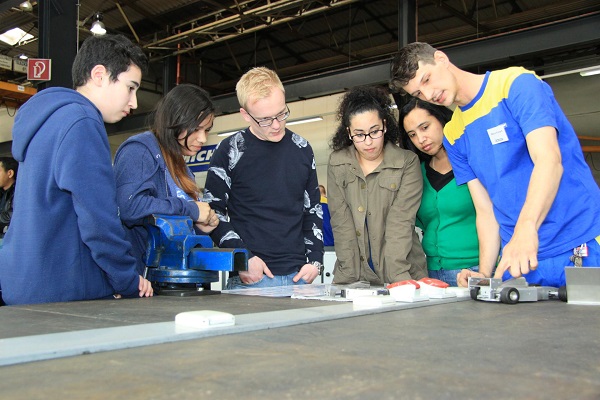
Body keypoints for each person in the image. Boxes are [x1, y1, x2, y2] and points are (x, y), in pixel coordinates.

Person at [390, 42, 600, 288]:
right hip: (517, 261)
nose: (428, 95)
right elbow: (485, 210)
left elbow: (549, 161)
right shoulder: (455, 133)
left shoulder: (515, 85)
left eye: (426, 79)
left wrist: (526, 229)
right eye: (417, 94)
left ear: (441, 58)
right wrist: (485, 273)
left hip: (578, 245)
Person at [0, 34, 154, 305]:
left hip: (24, 283)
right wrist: (127, 278)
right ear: (99, 75)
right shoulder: (82, 121)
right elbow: (98, 218)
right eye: (130, 88)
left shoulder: (48, 120)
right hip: (63, 293)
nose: (135, 102)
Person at [203, 66, 324, 289]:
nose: (277, 125)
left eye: (281, 114)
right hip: (251, 278)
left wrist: (316, 260)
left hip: (299, 278)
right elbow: (212, 212)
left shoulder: (303, 149)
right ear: (245, 115)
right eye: (265, 120)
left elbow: (313, 209)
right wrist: (243, 257)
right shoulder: (229, 151)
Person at [113, 84, 219, 275]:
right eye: (196, 129)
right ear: (176, 121)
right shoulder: (139, 151)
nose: (202, 139)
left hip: (170, 282)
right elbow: (131, 207)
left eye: (207, 130)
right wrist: (190, 209)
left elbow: (175, 232)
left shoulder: (182, 167)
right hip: (139, 279)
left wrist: (200, 227)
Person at [327, 86, 427, 285]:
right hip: (356, 275)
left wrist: (398, 277)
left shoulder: (407, 162)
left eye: (374, 132)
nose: (368, 142)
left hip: (403, 271)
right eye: (359, 134)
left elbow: (401, 223)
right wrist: (348, 277)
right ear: (348, 133)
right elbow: (341, 224)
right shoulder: (337, 163)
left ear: (385, 125)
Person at [399, 98, 479, 287]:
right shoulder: (416, 173)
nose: (420, 139)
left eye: (425, 127)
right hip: (430, 273)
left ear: (442, 119)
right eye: (412, 134)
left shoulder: (474, 162)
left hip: (474, 271)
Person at [0, 157, 17, 241]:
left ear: (10, 173)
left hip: (10, 239)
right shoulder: (2, 192)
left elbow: (13, 214)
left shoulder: (19, 192)